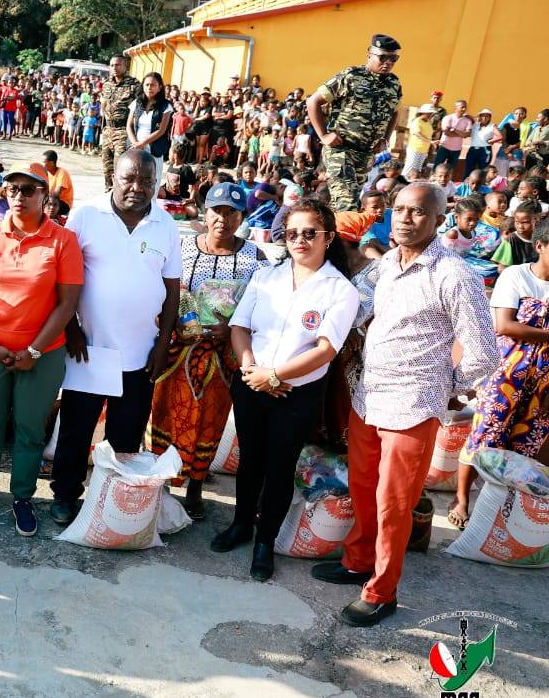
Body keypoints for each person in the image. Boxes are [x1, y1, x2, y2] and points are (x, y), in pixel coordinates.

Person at [313, 183, 498, 627]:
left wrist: (444, 387)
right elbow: (352, 307)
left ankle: (381, 591)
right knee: (362, 489)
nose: (404, 218)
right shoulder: (387, 266)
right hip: (368, 396)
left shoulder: (454, 274)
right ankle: (357, 561)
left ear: (439, 219)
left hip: (413, 407)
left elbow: (484, 352)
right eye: (398, 210)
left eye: (417, 212)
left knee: (393, 504)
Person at [217, 198, 359, 581]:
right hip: (251, 382)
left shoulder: (340, 290)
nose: (300, 240)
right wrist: (252, 371)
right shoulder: (266, 277)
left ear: (328, 237)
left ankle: (266, 540)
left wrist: (276, 376)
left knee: (279, 467)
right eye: (293, 233)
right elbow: (240, 327)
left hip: (295, 395)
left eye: (310, 233)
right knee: (250, 461)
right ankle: (241, 523)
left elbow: (325, 349)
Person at [49, 150, 180, 523]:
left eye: (146, 181)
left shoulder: (165, 224)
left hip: (141, 354)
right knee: (77, 428)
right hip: (90, 349)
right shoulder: (86, 216)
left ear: (155, 184)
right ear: (114, 178)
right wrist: (71, 328)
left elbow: (172, 290)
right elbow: (64, 276)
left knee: (126, 435)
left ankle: (111, 499)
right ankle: (65, 495)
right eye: (129, 179)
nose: (137, 188)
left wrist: (163, 342)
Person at [0, 162, 84, 536]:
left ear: (45, 196)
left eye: (28, 190)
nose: (19, 196)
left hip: (43, 354)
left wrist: (33, 351)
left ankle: (22, 497)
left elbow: (67, 304)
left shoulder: (62, 240)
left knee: (29, 430)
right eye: (12, 189)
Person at [149, 182, 263, 518]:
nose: (223, 220)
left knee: (209, 422)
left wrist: (230, 329)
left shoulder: (254, 257)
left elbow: (260, 306)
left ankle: (196, 486)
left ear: (242, 216)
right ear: (204, 212)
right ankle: (163, 482)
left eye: (232, 213)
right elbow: (164, 290)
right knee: (169, 415)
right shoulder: (182, 248)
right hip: (179, 351)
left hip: (222, 357)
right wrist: (176, 324)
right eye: (217, 211)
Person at [452, 215, 549, 529]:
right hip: (507, 372)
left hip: (544, 379)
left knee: (529, 440)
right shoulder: (517, 277)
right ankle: (462, 500)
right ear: (540, 246)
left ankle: (507, 509)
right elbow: (504, 325)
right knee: (487, 432)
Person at [307, 35, 403, 212]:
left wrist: (385, 138)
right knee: (347, 203)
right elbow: (313, 102)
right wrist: (323, 135)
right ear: (369, 55)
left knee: (343, 204)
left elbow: (395, 112)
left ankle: (325, 234)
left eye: (393, 58)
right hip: (341, 150)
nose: (388, 62)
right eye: (382, 57)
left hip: (365, 155)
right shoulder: (350, 76)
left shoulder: (393, 84)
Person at [100, 54, 140, 191]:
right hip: (108, 130)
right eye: (112, 65)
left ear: (125, 66)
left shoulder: (134, 85)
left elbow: (139, 109)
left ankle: (119, 194)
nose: (114, 68)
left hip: (123, 131)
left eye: (118, 65)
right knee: (106, 167)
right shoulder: (107, 84)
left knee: (120, 166)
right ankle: (107, 192)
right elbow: (103, 104)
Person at [127, 72, 174, 178]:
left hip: (154, 148)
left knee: (152, 179)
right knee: (134, 177)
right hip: (135, 146)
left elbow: (161, 130)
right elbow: (129, 125)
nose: (149, 88)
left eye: (153, 85)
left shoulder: (165, 106)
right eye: (147, 85)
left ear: (160, 87)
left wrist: (143, 143)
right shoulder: (136, 103)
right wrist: (136, 143)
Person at [42, 149, 74, 216]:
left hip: (63, 203)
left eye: (43, 162)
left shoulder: (62, 172)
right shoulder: (47, 174)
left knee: (43, 205)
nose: (42, 165)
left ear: (51, 163)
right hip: (52, 200)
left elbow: (56, 194)